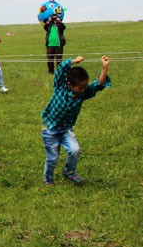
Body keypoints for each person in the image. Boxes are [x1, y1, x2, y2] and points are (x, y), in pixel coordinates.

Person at [40, 55, 111, 186]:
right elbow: (61, 68)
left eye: (84, 87)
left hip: (66, 129)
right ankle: (48, 179)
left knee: (75, 150)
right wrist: (73, 61)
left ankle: (68, 171)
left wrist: (104, 67)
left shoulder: (82, 93)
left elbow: (98, 84)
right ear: (69, 84)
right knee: (53, 158)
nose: (83, 90)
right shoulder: (60, 87)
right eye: (80, 88)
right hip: (50, 129)